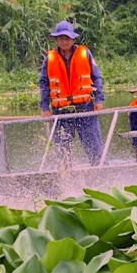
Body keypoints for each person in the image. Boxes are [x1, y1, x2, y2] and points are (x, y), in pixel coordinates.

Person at [39, 20, 104, 166]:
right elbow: (44, 84)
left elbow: (97, 77)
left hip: (85, 110)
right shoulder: (49, 59)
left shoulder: (84, 53)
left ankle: (101, 174)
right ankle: (65, 179)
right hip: (61, 112)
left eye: (67, 37)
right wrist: (45, 108)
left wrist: (99, 100)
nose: (64, 41)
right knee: (62, 151)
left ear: (72, 38)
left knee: (94, 148)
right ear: (56, 40)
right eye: (61, 38)